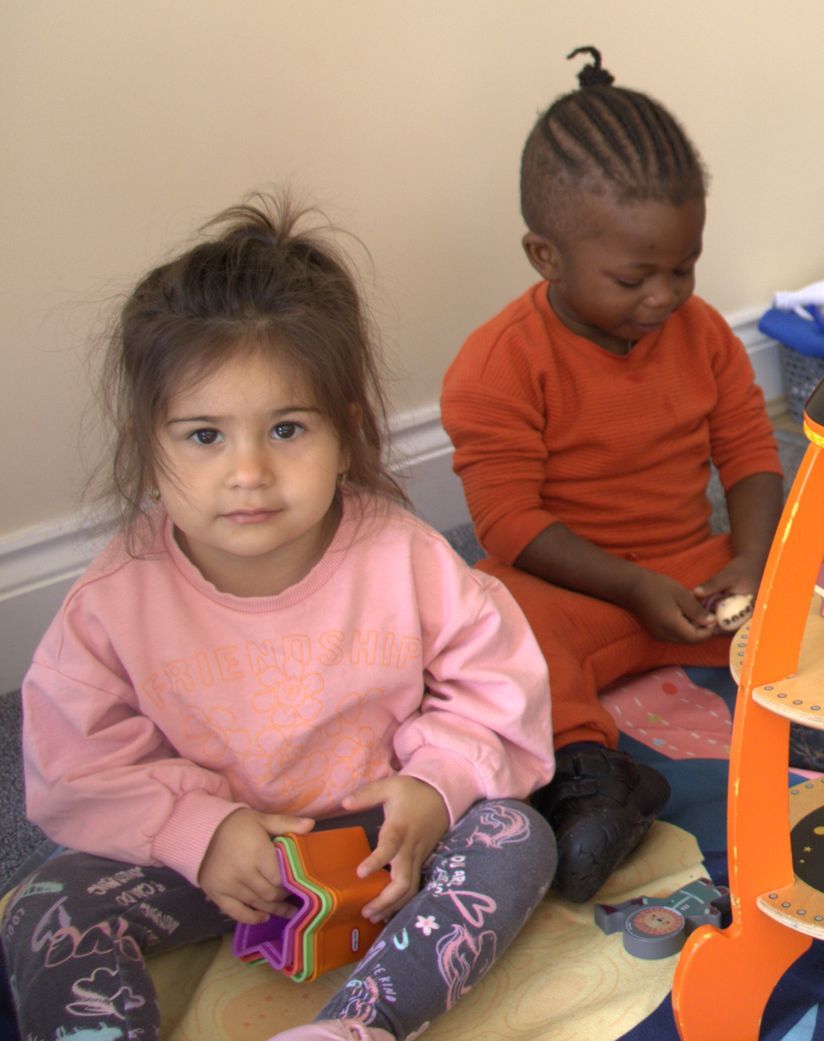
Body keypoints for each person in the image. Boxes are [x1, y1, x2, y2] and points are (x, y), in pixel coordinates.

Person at [7, 199, 556, 1041]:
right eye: (203, 436)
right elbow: (77, 765)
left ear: (349, 432)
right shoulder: (119, 597)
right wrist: (199, 830)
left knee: (519, 836)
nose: (249, 472)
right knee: (45, 900)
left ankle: (359, 1022)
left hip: (384, 849)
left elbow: (498, 687)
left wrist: (433, 790)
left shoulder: (404, 556)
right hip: (215, 862)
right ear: (146, 442)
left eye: (287, 428)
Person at [440, 47, 787, 902]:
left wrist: (747, 559)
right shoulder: (498, 364)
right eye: (635, 277)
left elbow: (749, 449)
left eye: (684, 265)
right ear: (544, 255)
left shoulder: (702, 332)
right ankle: (586, 779)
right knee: (488, 618)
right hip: (581, 591)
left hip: (698, 581)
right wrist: (631, 586)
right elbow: (508, 523)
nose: (666, 295)